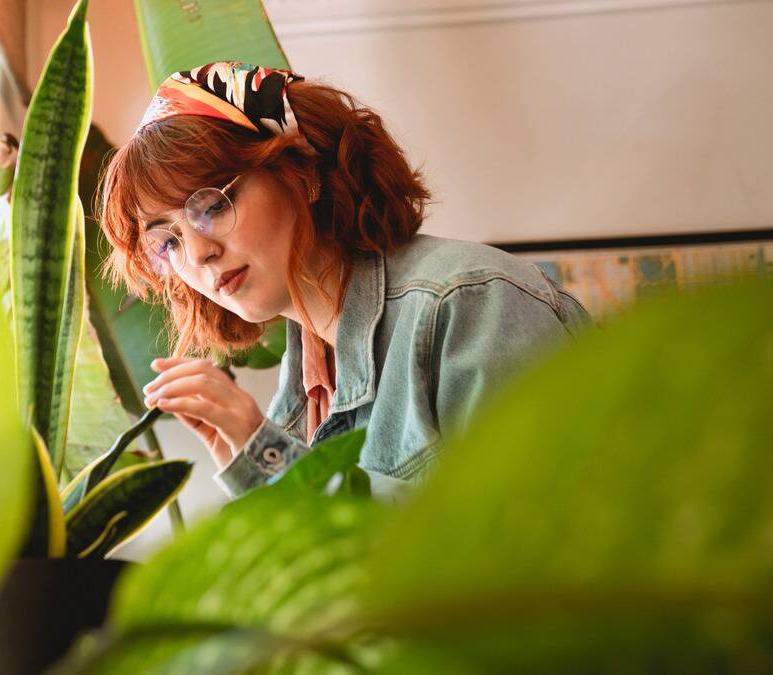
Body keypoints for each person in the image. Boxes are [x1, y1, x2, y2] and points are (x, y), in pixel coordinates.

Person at [97, 62, 592, 500]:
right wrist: (251, 465)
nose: (198, 253)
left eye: (210, 206)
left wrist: (267, 453)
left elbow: (519, 561)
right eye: (168, 243)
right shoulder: (302, 383)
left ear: (303, 171)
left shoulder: (470, 306)